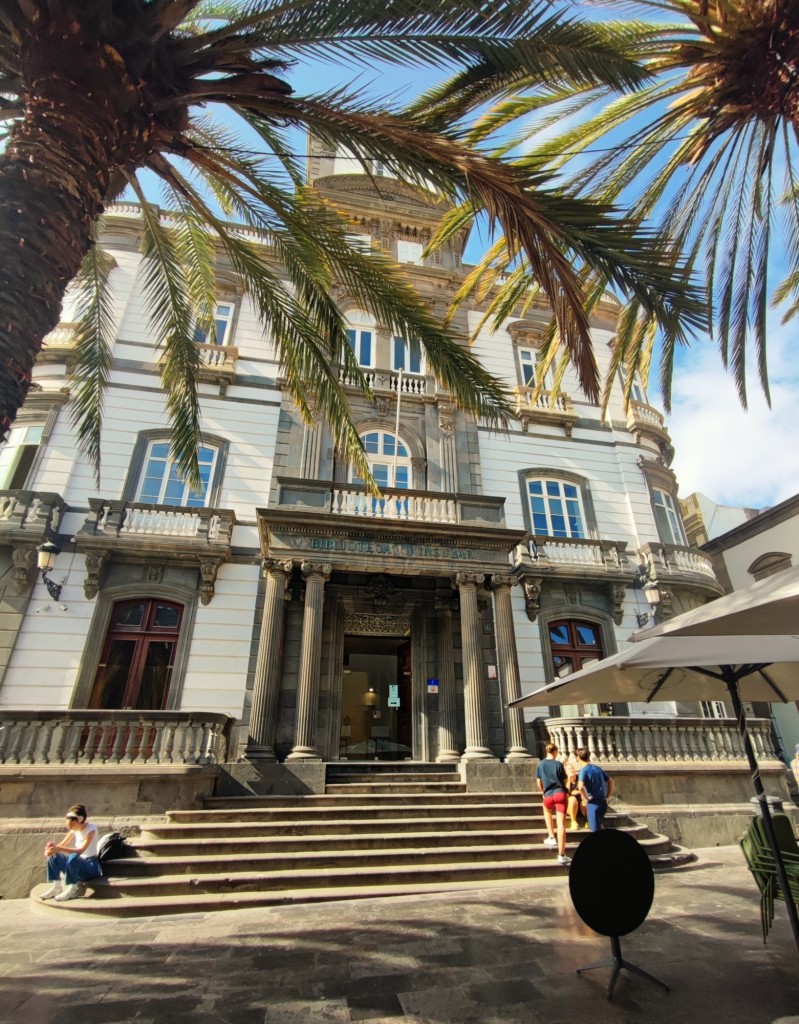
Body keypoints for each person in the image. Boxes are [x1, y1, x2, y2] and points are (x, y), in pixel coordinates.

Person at [41, 804, 102, 902]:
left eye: (72, 825)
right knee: (54, 856)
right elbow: (61, 845)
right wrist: (50, 851)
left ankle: (73, 890)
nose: (70, 828)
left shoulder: (91, 829)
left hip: (90, 867)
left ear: (80, 820)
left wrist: (58, 848)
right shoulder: (74, 830)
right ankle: (57, 887)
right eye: (68, 826)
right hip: (76, 865)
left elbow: (80, 850)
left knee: (73, 856)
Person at [535, 742, 571, 866]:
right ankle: (561, 855)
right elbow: (565, 781)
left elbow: (538, 781)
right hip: (560, 794)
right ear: (555, 752)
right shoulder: (558, 764)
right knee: (561, 825)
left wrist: (543, 792)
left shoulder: (540, 764)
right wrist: (566, 790)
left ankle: (551, 836)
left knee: (546, 809)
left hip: (548, 795)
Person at [576, 748, 615, 832]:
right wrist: (607, 796)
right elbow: (611, 782)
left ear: (578, 757)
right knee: (599, 825)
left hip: (593, 803)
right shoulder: (597, 768)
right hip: (603, 803)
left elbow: (580, 787)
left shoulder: (583, 771)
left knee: (594, 829)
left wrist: (586, 798)